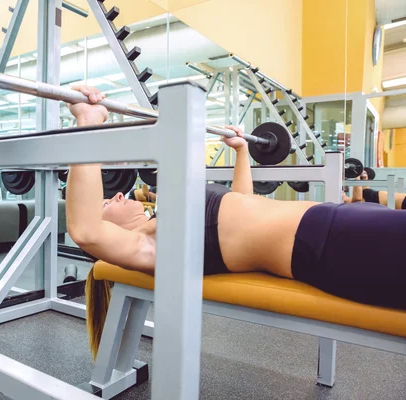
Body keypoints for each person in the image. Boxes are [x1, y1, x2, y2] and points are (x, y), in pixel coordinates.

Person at [64, 85, 406, 359]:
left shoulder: (173, 217)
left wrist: (242, 151)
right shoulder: (152, 246)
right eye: (107, 201)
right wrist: (89, 123)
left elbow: (241, 200)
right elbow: (85, 229)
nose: (119, 195)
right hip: (329, 242)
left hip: (340, 220)